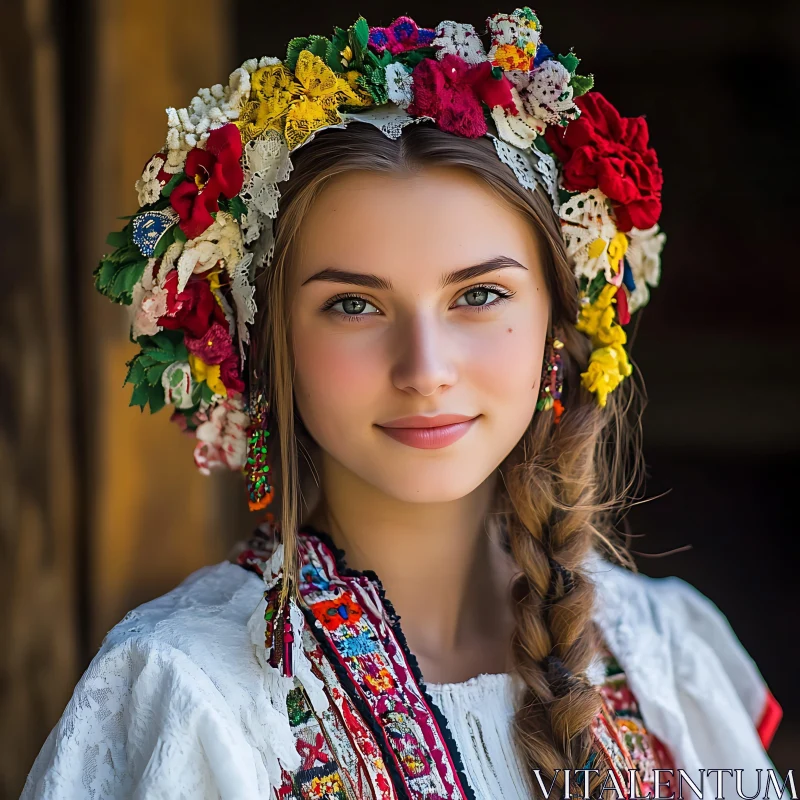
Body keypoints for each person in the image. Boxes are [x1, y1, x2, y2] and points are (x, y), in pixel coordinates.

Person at [23, 9, 783, 800]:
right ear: (267, 347)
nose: (425, 370)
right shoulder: (191, 691)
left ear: (560, 324)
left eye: (479, 295)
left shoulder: (663, 653)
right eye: (354, 306)